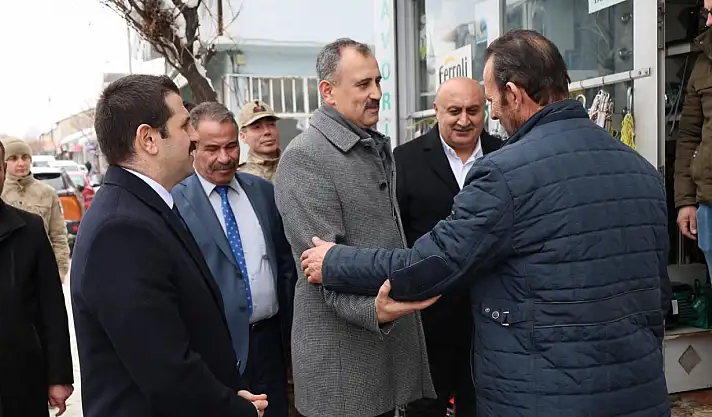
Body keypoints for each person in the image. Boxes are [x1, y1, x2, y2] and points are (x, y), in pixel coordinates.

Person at [300, 30, 672, 417]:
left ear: (514, 94)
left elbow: (432, 264)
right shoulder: (642, 171)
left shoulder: (506, 172)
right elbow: (658, 294)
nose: (492, 115)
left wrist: (336, 261)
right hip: (640, 394)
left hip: (544, 394)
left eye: (491, 101)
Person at [70, 74, 267, 417]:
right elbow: (166, 369)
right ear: (148, 139)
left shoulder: (146, 207)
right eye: (185, 125)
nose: (194, 136)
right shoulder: (121, 229)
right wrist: (235, 409)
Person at [274, 38, 436, 417]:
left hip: (381, 352)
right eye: (363, 84)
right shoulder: (305, 157)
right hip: (344, 367)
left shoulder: (367, 145)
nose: (376, 93)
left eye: (378, 81)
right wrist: (373, 311)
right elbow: (319, 267)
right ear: (327, 91)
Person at [172, 101, 295, 417]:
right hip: (215, 351)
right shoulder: (175, 203)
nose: (225, 158)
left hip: (270, 346)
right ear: (193, 147)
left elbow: (284, 266)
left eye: (230, 146)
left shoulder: (263, 192)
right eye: (212, 149)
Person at [395, 77, 502, 417]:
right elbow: (398, 236)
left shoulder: (506, 154)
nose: (464, 120)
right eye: (454, 111)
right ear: (436, 111)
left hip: (492, 317)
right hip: (428, 319)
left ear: (486, 110)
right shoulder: (405, 160)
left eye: (473, 110)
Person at [0, 130, 74, 417]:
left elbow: (51, 308)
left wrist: (59, 376)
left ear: (3, 171)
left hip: (21, 381)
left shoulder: (29, 229)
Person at [675, 0, 712, 272]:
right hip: (709, 204)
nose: (708, 22)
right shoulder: (702, 64)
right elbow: (688, 136)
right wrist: (686, 200)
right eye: (707, 13)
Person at [0, 137, 70, 282]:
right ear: (4, 162)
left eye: (25, 157)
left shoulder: (47, 193)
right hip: (4, 272)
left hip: (41, 270)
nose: (21, 163)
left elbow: (58, 234)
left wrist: (61, 269)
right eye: (13, 158)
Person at [238, 100, 281, 181]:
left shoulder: (295, 166)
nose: (267, 132)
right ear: (243, 137)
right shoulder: (240, 177)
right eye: (257, 127)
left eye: (271, 125)